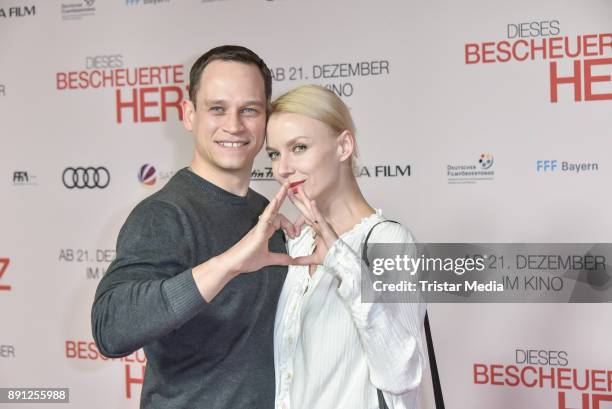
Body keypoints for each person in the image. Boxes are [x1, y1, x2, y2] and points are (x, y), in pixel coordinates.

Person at [91, 45, 300, 409]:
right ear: (189, 114)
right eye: (217, 108)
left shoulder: (264, 213)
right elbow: (111, 329)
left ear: (267, 119)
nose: (234, 125)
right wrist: (229, 263)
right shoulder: (163, 214)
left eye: (249, 110)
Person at [265, 84, 426, 409]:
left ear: (343, 146)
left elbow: (402, 376)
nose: (282, 168)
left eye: (298, 147)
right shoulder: (297, 242)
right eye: (274, 153)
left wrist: (344, 265)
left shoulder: (388, 241)